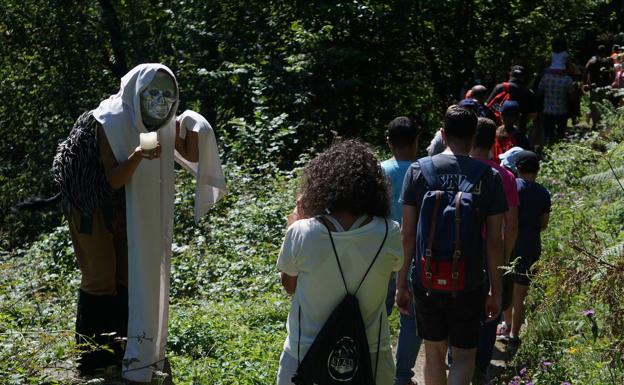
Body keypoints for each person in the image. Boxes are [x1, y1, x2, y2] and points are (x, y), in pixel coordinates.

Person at [52, 63, 226, 382]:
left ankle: (122, 352)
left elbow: (188, 150)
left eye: (168, 96)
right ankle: (90, 361)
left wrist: (196, 125)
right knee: (100, 277)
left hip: (123, 202)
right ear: (138, 92)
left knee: (128, 275)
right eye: (154, 94)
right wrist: (136, 156)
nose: (161, 101)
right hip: (88, 200)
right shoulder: (109, 121)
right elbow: (113, 180)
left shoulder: (155, 117)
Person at [276, 139, 403, 385]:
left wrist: (296, 224)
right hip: (372, 356)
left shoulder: (302, 232)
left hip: (305, 355)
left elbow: (290, 286)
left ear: (323, 184)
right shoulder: (390, 232)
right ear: (373, 188)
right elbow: (391, 271)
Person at [396, 105, 506, 385]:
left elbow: (407, 234)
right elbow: (495, 242)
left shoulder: (418, 170)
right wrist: (495, 288)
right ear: (474, 137)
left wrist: (401, 283)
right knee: (464, 356)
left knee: (433, 353)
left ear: (443, 135)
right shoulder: (489, 177)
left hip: (426, 278)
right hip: (469, 281)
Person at [469, 118, 519, 384]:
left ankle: (457, 360)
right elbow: (511, 226)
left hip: (460, 252)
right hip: (493, 255)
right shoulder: (505, 176)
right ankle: (480, 365)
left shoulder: (458, 168)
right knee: (491, 310)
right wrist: (505, 259)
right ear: (494, 142)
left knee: (463, 306)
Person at [381, 117, 422, 385]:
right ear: (417, 142)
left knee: (376, 316)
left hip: (380, 255)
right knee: (411, 319)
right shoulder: (425, 170)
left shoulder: (378, 171)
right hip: (415, 257)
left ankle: (373, 369)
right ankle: (402, 377)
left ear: (389, 142)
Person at [505, 151, 551, 346]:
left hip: (510, 243)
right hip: (532, 245)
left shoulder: (512, 186)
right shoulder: (543, 192)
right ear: (537, 171)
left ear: (518, 168)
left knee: (505, 285)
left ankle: (505, 326)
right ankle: (515, 334)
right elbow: (544, 224)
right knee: (521, 292)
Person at [537, 41, 576, 144]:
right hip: (561, 111)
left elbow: (539, 93)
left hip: (548, 110)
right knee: (561, 133)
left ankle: (547, 146)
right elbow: (572, 97)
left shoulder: (546, 77)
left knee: (548, 132)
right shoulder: (567, 79)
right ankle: (558, 148)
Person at [487, 65, 537, 134]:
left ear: (510, 75)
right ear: (523, 77)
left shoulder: (500, 87)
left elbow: (488, 105)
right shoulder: (529, 93)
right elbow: (533, 115)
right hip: (518, 132)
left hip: (496, 129)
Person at [584, 45, 614, 127]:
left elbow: (586, 70)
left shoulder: (592, 60)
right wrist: (611, 82)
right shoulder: (608, 61)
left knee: (594, 106)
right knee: (603, 105)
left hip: (594, 86)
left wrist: (586, 83)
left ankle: (595, 124)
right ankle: (602, 123)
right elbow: (613, 72)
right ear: (605, 52)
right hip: (605, 86)